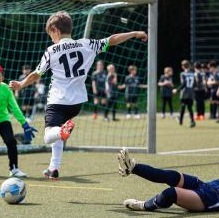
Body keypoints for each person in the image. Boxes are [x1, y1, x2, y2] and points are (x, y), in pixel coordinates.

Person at [9, 11, 148, 180]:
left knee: (49, 135)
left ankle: (61, 132)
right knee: (59, 134)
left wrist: (21, 84)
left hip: (58, 100)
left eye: (50, 33)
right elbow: (112, 39)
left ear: (55, 29)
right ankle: (54, 168)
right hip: (77, 103)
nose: (50, 37)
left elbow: (37, 74)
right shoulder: (86, 44)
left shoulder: (52, 50)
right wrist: (134, 33)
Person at [118, 148, 219, 217]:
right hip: (204, 186)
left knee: (171, 193)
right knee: (171, 176)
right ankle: (132, 167)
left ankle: (145, 205)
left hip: (213, 199)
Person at [172, 60, 196, 128]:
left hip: (184, 93)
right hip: (191, 93)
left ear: (183, 66)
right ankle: (192, 121)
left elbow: (184, 84)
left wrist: (176, 90)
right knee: (190, 108)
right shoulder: (193, 73)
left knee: (182, 107)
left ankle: (180, 120)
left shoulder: (182, 74)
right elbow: (195, 84)